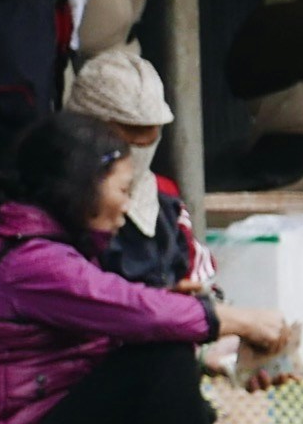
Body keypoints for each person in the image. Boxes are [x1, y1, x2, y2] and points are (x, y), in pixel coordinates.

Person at [0, 109, 292, 424]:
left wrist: (185, 312)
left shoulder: (44, 245)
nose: (125, 207)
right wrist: (235, 319)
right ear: (82, 186)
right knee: (163, 356)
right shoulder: (26, 260)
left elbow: (118, 314)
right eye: (122, 190)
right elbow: (141, 313)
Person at [59, 46, 202, 294]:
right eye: (131, 129)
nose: (144, 142)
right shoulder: (52, 201)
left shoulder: (165, 197)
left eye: (152, 130)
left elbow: (192, 272)